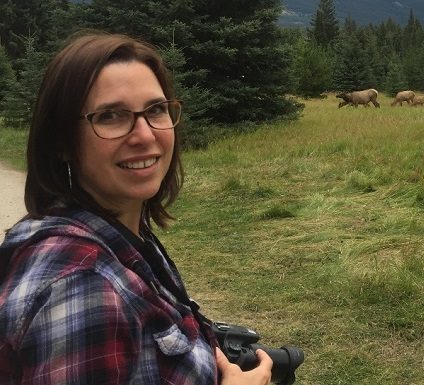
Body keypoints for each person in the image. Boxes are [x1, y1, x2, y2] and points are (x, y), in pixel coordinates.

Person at [0, 32, 272, 384]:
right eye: (111, 115)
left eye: (156, 109)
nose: (144, 135)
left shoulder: (117, 235)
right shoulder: (83, 285)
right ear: (62, 141)